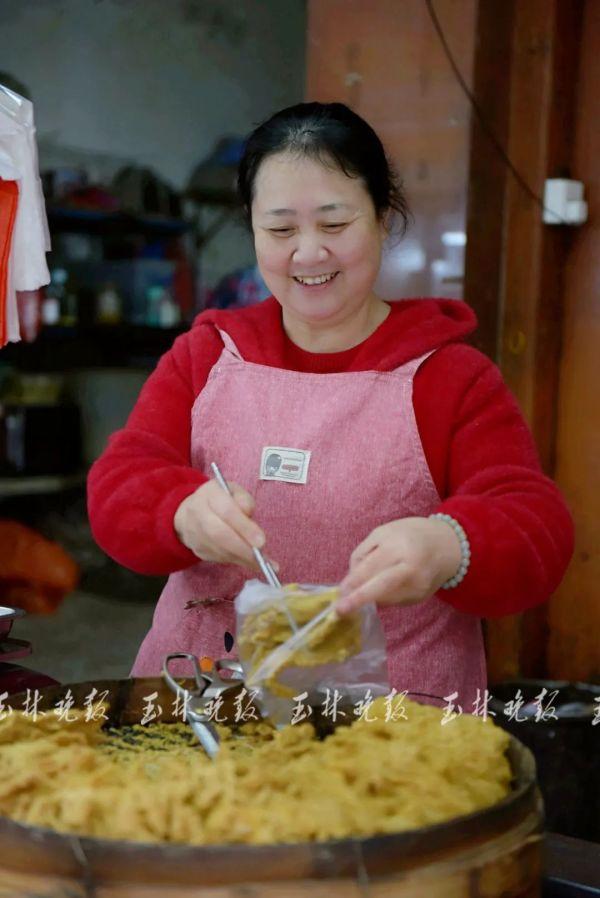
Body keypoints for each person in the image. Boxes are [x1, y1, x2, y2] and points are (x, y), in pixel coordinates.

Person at [87, 102, 573, 708]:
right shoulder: (207, 355)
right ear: (253, 228)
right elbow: (119, 484)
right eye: (282, 230)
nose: (308, 254)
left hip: (393, 723)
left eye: (335, 225)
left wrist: (450, 546)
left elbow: (535, 526)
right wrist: (177, 511)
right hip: (200, 701)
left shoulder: (450, 376)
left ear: (383, 218)